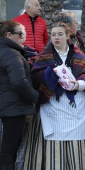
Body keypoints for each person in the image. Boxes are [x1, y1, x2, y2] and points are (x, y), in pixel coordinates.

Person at [23, 22, 85, 170]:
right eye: (53, 35)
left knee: (78, 140)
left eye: (60, 34)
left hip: (76, 104)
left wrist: (78, 84)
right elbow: (35, 77)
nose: (56, 37)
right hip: (52, 103)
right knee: (54, 143)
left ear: (68, 36)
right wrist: (50, 76)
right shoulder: (45, 56)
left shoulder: (78, 54)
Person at [0, 20, 39, 170]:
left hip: (8, 106)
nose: (24, 38)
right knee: (9, 149)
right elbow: (19, 82)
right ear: (9, 35)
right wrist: (35, 97)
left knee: (7, 148)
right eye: (21, 34)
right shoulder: (11, 54)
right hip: (13, 108)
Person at [54, 11, 85, 105]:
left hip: (80, 86)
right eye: (75, 21)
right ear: (68, 26)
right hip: (68, 91)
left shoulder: (77, 39)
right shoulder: (66, 43)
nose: (77, 24)